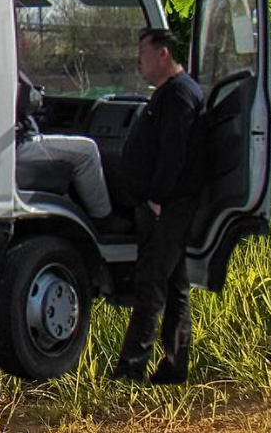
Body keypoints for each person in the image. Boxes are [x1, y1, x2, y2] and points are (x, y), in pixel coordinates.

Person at [110, 27, 205, 385]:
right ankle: (174, 368)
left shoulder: (180, 94)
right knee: (176, 286)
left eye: (144, 53)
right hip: (166, 206)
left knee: (151, 284)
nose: (140, 61)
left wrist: (157, 199)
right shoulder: (170, 92)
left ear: (163, 53)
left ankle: (130, 369)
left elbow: (173, 153)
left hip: (168, 207)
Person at [13, 73, 114, 219]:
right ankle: (102, 217)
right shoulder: (5, 69)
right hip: (18, 146)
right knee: (87, 150)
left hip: (8, 146)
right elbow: (30, 99)